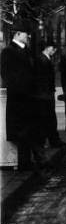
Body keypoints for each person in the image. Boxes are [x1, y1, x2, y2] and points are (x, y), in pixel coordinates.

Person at [1, 24, 38, 169]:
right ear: (17, 34)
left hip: (29, 98)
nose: (27, 36)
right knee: (21, 132)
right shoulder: (8, 52)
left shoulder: (27, 51)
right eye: (25, 34)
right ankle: (23, 164)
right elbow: (6, 75)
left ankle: (27, 162)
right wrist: (21, 88)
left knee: (28, 131)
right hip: (18, 98)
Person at [34, 41, 62, 149]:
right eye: (54, 49)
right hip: (44, 94)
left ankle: (53, 140)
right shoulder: (41, 59)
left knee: (50, 117)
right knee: (47, 118)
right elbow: (41, 78)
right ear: (48, 48)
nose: (54, 52)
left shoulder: (46, 59)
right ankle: (48, 140)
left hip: (48, 93)